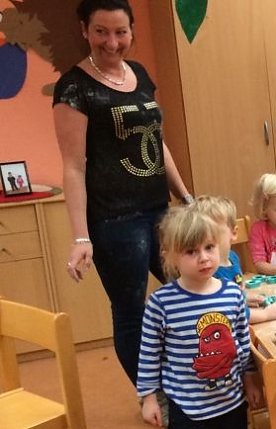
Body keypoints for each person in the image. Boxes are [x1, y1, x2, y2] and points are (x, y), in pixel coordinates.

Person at [52, 0, 192, 387]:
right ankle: (151, 394)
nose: (112, 43)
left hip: (158, 210)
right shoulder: (74, 87)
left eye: (120, 32)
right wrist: (81, 236)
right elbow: (73, 165)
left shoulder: (141, 74)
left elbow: (156, 141)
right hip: (113, 222)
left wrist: (185, 196)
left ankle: (191, 380)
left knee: (191, 289)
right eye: (101, 31)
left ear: (132, 31)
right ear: (85, 29)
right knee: (132, 312)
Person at [137, 206, 261, 428]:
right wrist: (148, 398)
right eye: (191, 251)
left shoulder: (233, 294)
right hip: (186, 409)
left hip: (231, 403)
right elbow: (149, 356)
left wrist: (250, 380)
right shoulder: (160, 303)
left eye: (209, 247)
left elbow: (243, 343)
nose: (204, 258)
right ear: (170, 257)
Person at [193, 195, 276, 323]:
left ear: (233, 233)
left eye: (215, 232)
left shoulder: (233, 257)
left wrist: (243, 298)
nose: (208, 238)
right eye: (200, 234)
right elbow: (227, 313)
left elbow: (231, 297)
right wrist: (265, 314)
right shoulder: (207, 272)